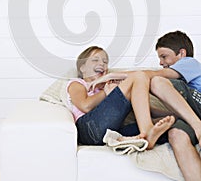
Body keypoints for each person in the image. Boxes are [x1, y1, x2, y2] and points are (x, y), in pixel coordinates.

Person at [66, 45, 175, 150]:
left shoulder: (109, 86)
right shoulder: (78, 83)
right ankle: (147, 131)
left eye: (105, 62)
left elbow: (141, 108)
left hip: (111, 131)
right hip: (88, 129)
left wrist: (172, 115)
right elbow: (85, 106)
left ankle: (147, 133)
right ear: (82, 68)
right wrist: (106, 92)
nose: (102, 64)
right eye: (95, 60)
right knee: (139, 76)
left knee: (171, 124)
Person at [143, 30, 201, 181]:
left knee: (156, 81)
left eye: (164, 56)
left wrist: (117, 76)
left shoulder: (190, 62)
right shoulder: (180, 98)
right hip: (194, 115)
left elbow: (157, 77)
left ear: (182, 53)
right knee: (176, 134)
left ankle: (197, 125)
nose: (161, 63)